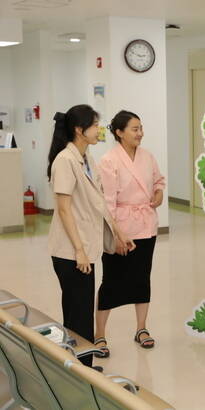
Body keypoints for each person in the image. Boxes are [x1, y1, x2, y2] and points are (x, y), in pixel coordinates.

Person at [46, 105, 134, 368]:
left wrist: (119, 232)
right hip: (71, 252)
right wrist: (79, 250)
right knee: (77, 314)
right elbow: (64, 209)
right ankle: (79, 371)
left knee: (82, 311)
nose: (99, 129)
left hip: (84, 248)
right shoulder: (65, 160)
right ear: (79, 129)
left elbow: (99, 203)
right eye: (95, 125)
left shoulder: (86, 159)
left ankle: (82, 367)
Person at [94, 110, 165, 356]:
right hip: (121, 227)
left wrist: (158, 195)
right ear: (119, 132)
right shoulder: (109, 160)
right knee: (111, 281)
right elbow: (107, 202)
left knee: (142, 278)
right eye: (135, 129)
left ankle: (141, 328)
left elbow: (159, 181)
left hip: (146, 226)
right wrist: (116, 235)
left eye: (141, 128)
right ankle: (99, 334)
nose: (140, 133)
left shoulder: (148, 156)